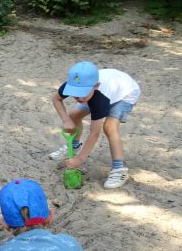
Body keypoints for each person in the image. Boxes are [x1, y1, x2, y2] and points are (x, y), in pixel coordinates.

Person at [48, 61, 141, 189]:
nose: (79, 98)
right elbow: (56, 99)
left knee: (109, 127)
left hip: (125, 93)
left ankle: (119, 170)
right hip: (102, 91)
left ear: (96, 86)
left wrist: (80, 159)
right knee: (73, 115)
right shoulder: (75, 84)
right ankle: (73, 146)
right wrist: (66, 120)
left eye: (82, 93)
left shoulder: (100, 99)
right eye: (76, 94)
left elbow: (94, 133)